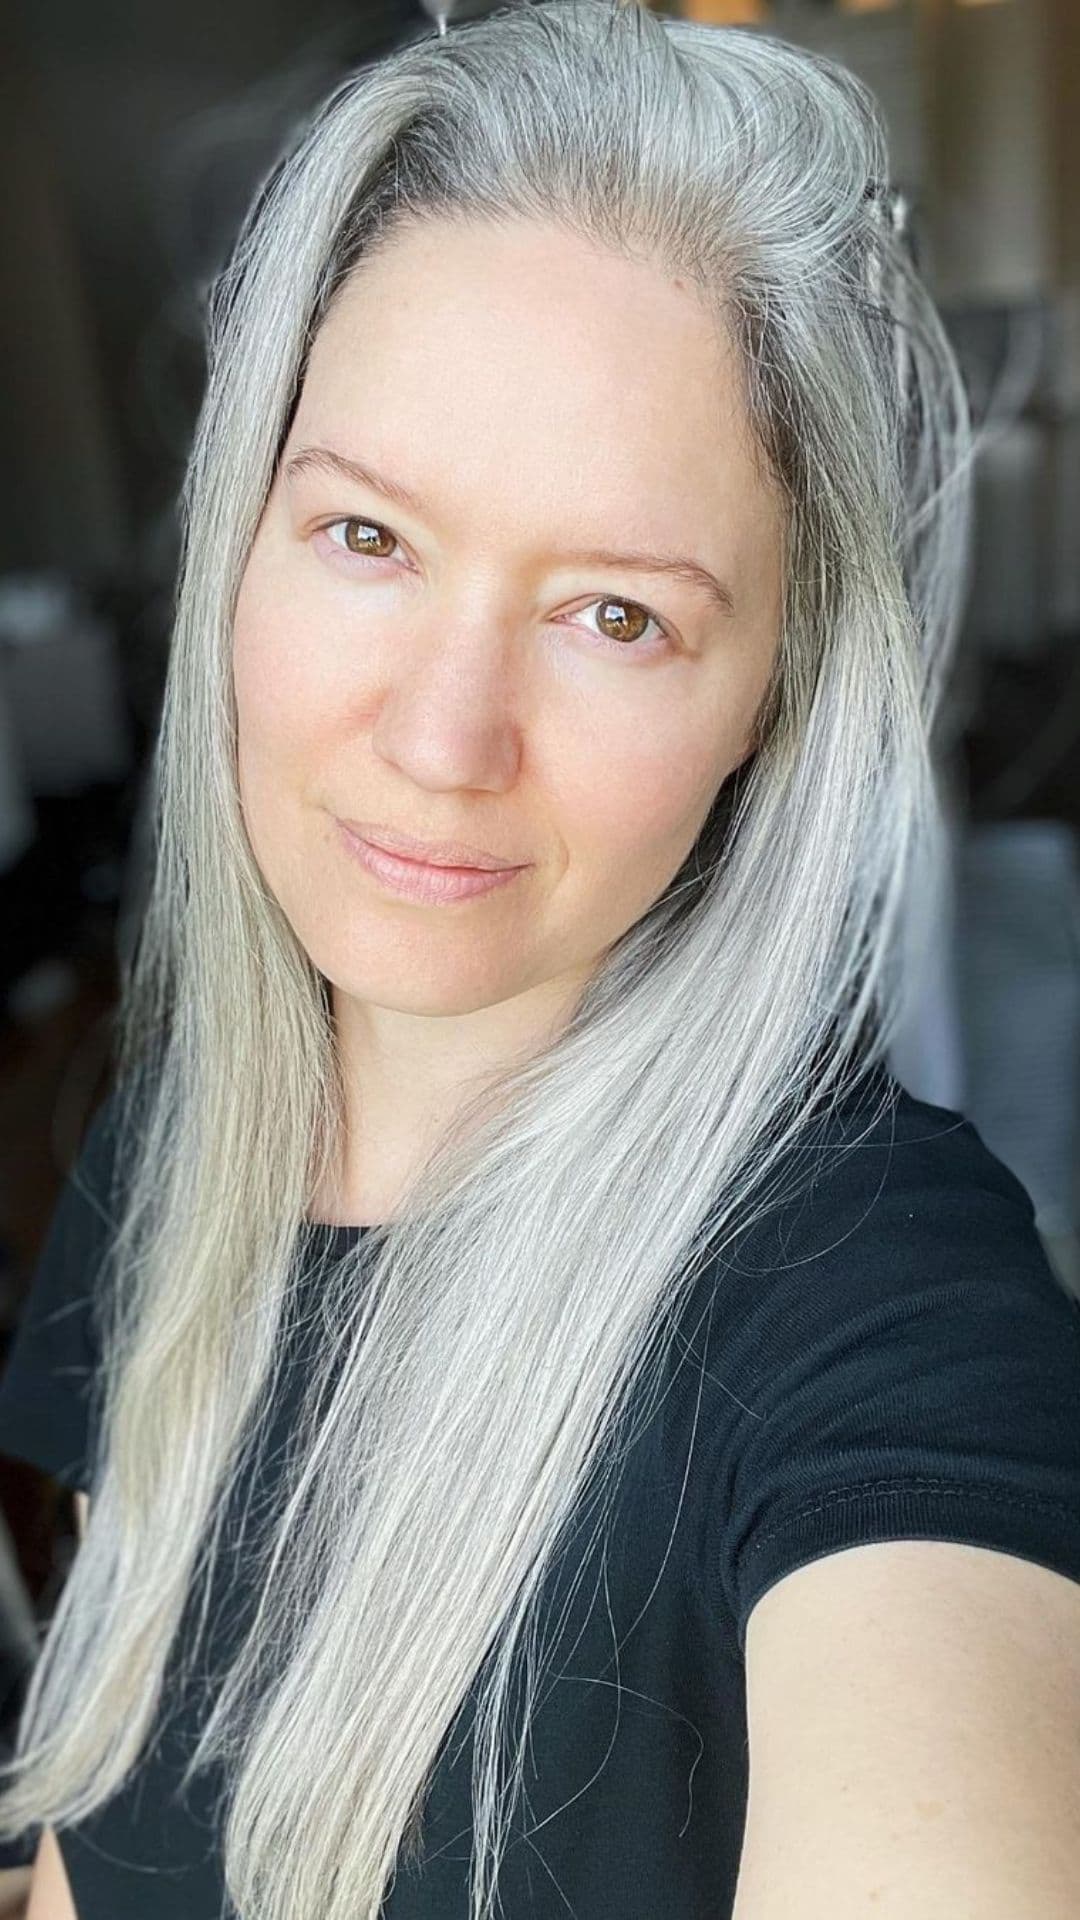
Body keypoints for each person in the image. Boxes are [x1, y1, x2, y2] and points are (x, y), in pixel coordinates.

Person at [2, 1, 1080, 1916]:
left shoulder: (884, 1302)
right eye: (367, 535)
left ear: (774, 694)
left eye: (614, 614)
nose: (442, 735)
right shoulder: (170, 1152)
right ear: (238, 540)